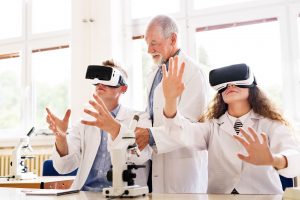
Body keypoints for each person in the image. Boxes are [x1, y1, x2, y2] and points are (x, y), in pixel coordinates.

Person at [162, 61, 300, 194]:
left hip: (264, 196)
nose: (230, 85)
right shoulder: (212, 127)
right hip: (219, 197)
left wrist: (273, 160)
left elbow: (295, 158)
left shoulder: (271, 124)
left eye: (237, 82)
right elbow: (179, 132)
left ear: (252, 86)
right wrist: (170, 100)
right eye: (225, 84)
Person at [46, 60, 150, 191]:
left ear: (123, 88)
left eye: (107, 79)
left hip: (123, 194)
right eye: (98, 79)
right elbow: (64, 167)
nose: (101, 83)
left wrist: (114, 129)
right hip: (84, 193)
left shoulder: (140, 118)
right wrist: (61, 138)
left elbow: (140, 158)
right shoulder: (83, 123)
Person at [135, 15, 209, 193]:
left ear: (173, 39)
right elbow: (150, 114)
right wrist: (140, 130)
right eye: (147, 43)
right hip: (157, 165)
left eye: (154, 43)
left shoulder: (193, 72)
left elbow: (189, 127)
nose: (149, 50)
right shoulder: (154, 74)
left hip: (183, 171)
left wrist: (151, 136)